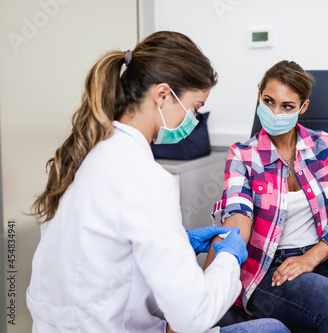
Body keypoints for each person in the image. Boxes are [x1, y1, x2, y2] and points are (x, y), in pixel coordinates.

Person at [27, 31, 290, 333]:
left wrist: (179, 243)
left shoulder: (80, 156)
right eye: (194, 108)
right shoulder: (145, 178)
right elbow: (193, 317)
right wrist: (229, 258)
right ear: (163, 95)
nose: (193, 119)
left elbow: (102, 257)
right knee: (273, 330)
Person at [204, 60, 328, 332]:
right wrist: (207, 284)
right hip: (268, 268)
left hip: (324, 258)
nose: (275, 112)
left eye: (287, 106)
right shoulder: (242, 155)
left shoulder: (326, 145)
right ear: (258, 95)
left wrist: (311, 257)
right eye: (268, 101)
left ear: (303, 107)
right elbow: (237, 216)